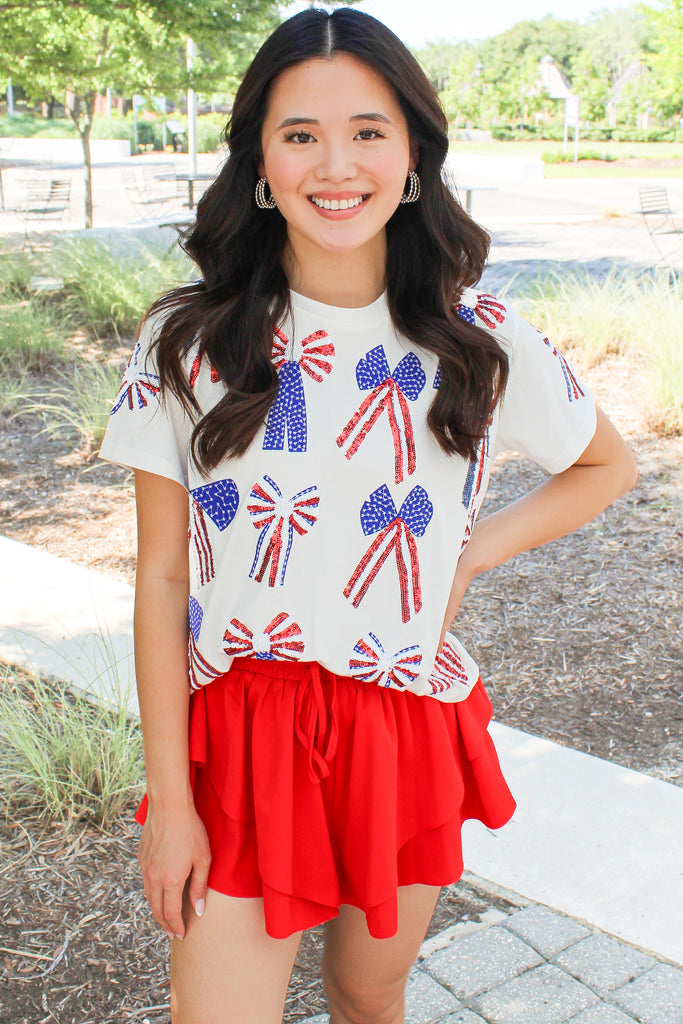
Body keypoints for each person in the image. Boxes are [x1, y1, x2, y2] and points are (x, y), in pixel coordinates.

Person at [99, 7, 637, 1023]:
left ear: (414, 156)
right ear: (259, 156)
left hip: (401, 723)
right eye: (299, 133)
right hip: (242, 730)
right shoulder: (185, 341)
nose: (333, 165)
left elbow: (606, 464)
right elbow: (161, 579)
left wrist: (467, 557)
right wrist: (169, 801)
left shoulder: (475, 334)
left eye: (367, 132)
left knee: (364, 990)